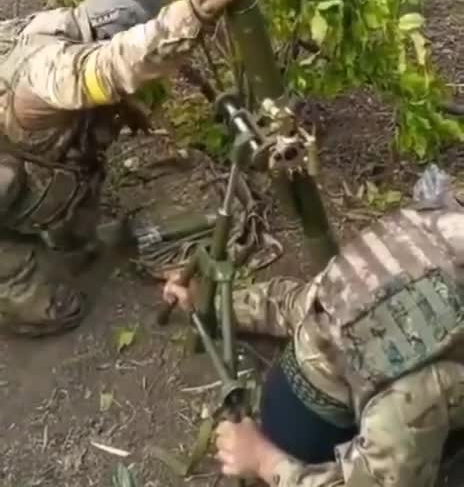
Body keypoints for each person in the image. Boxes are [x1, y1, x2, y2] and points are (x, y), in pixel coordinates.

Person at [0, 0, 246, 336]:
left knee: (80, 232)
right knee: (60, 310)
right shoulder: (43, 69)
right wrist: (190, 14)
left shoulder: (59, 29)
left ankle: (46, 234)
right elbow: (103, 68)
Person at [164, 196, 464, 486]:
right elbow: (288, 303)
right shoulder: (339, 301)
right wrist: (209, 305)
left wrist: (265, 462)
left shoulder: (409, 399)